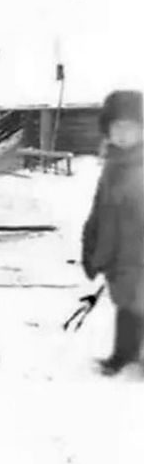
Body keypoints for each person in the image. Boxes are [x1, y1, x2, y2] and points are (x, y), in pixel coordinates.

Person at [81, 89, 144, 375]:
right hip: (120, 253)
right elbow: (100, 209)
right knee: (125, 306)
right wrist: (91, 242)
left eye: (130, 128)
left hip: (139, 252)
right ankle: (123, 354)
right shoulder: (112, 165)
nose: (123, 134)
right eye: (117, 127)